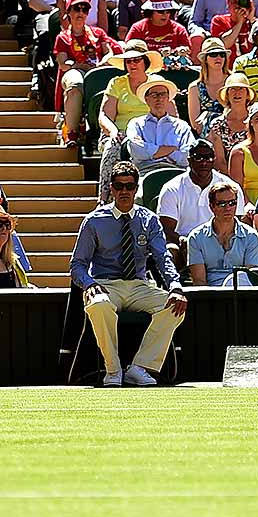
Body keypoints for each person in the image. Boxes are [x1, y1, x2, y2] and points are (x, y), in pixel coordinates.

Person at [70, 162, 186, 386]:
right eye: (119, 186)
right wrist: (89, 284)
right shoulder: (94, 220)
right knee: (98, 304)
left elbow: (162, 257)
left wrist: (176, 287)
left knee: (175, 306)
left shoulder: (149, 219)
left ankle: (139, 367)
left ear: (136, 188)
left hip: (139, 285)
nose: (124, 191)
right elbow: (77, 264)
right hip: (105, 284)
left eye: (129, 186)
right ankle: (112, 370)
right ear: (111, 188)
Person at [183, 177, 258, 286]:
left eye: (232, 203)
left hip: (241, 294)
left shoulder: (251, 236)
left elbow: (251, 277)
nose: (228, 208)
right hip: (211, 295)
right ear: (212, 207)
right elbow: (199, 281)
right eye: (222, 204)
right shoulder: (196, 237)